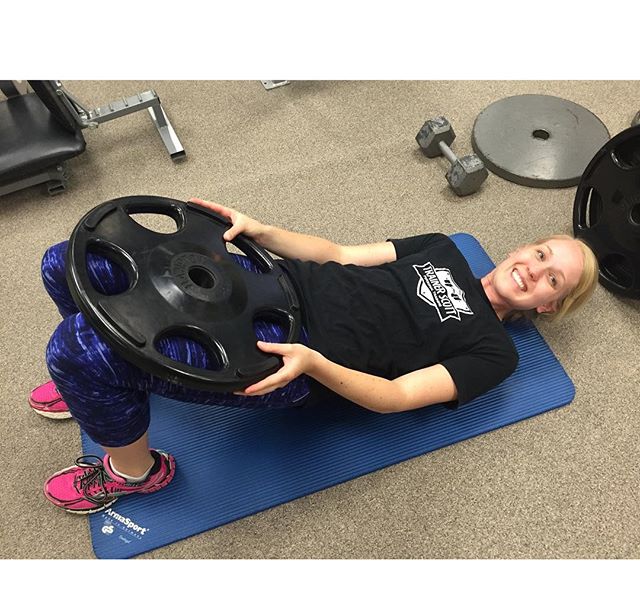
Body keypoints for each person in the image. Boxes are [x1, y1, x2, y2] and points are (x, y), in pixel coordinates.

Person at [30, 198, 599, 514]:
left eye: (554, 279)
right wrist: (262, 229)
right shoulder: (442, 247)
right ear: (526, 245)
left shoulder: (495, 353)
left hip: (286, 355)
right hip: (265, 282)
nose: (535, 269)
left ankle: (136, 472)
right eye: (542, 252)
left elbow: (399, 397)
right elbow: (339, 253)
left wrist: (312, 363)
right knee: (65, 261)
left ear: (551, 307)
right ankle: (101, 387)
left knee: (78, 352)